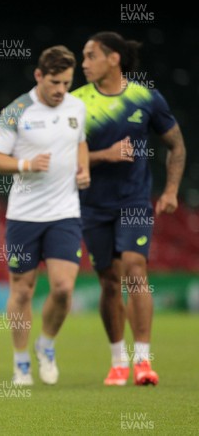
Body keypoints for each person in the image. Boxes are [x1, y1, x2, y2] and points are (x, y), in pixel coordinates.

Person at [72, 31, 186, 386]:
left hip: (134, 201)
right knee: (108, 281)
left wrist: (170, 190)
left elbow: (177, 146)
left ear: (114, 58)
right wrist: (104, 156)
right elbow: (63, 156)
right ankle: (118, 360)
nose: (84, 63)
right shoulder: (75, 103)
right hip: (92, 204)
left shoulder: (146, 98)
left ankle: (144, 361)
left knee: (136, 269)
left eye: (91, 56)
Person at [0, 46, 89, 386]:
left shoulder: (77, 107)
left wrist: (83, 167)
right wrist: (26, 164)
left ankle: (46, 344)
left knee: (62, 288)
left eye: (67, 83)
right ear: (39, 76)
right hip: (24, 216)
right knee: (23, 290)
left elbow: (80, 141)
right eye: (55, 82)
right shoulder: (16, 111)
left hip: (65, 212)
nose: (61, 90)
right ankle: (21, 361)